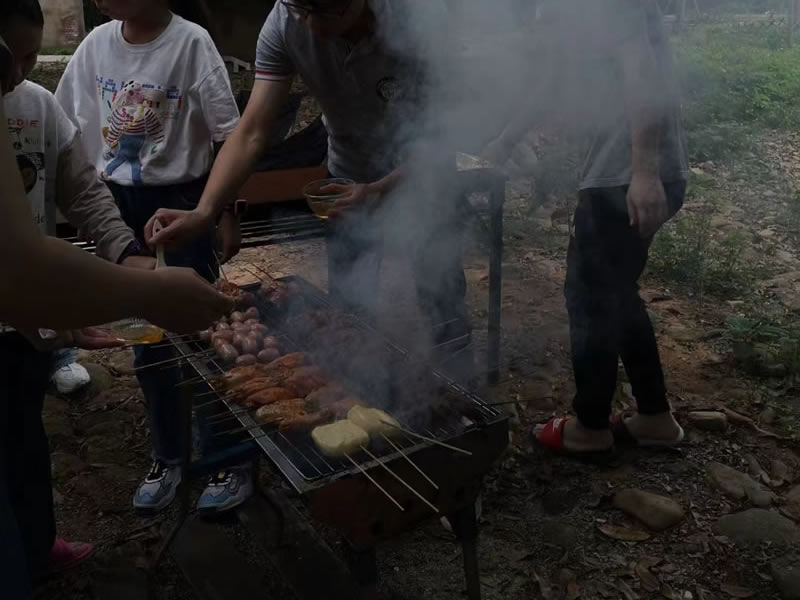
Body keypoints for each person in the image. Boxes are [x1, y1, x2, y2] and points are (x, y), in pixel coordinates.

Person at [0, 2, 229, 598]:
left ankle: (34, 541)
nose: (17, 73)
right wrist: (138, 291)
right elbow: (19, 265)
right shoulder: (94, 47)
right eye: (8, 58)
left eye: (27, 57)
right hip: (18, 303)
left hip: (29, 318)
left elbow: (82, 189)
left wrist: (127, 257)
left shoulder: (32, 106)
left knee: (25, 435)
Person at [142, 0, 474, 382]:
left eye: (328, 10)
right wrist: (206, 211)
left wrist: (381, 189)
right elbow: (252, 131)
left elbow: (445, 134)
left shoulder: (418, 21)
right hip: (348, 178)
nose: (312, 25)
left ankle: (464, 396)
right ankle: (360, 386)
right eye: (302, 9)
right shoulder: (284, 21)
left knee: (441, 298)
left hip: (425, 180)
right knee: (350, 304)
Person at [56, 0, 252, 515]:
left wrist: (224, 212)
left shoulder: (190, 43)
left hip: (182, 205)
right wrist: (80, 201)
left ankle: (229, 456)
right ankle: (169, 455)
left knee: (207, 335)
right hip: (117, 206)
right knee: (148, 342)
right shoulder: (96, 45)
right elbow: (66, 125)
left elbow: (228, 132)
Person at [485, 0, 688, 456]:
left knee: (589, 295)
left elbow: (643, 73)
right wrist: (503, 141)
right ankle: (653, 417)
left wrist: (644, 171)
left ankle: (591, 426)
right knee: (615, 292)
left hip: (624, 175)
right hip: (616, 173)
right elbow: (552, 81)